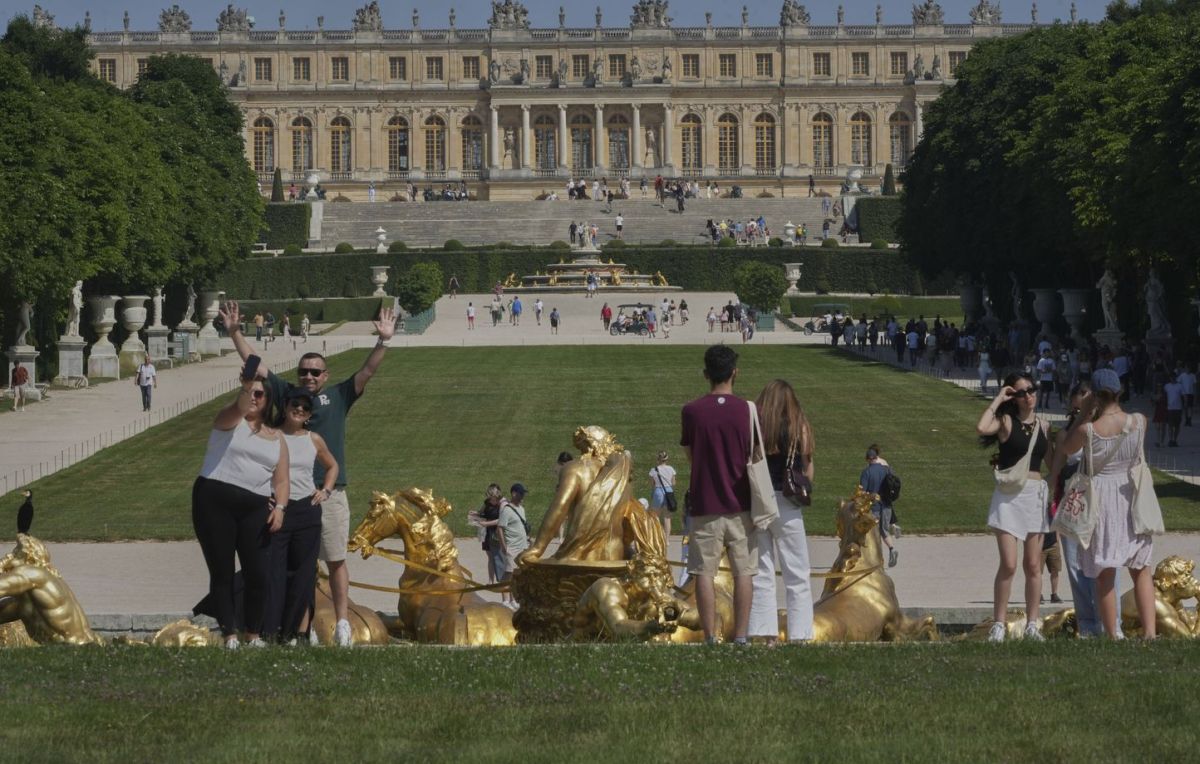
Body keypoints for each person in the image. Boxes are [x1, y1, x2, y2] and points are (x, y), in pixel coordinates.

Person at [221, 300, 396, 648]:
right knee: (294, 567)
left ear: (325, 376)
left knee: (334, 561)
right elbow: (255, 364)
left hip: (328, 494)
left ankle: (342, 622)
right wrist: (234, 332)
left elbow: (367, 373)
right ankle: (302, 628)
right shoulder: (289, 395)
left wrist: (384, 341)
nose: (309, 377)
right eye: (305, 371)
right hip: (290, 497)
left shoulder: (338, 396)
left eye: (316, 372)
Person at [192, 369, 289, 649]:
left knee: (257, 572)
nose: (255, 398)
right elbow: (239, 407)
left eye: (261, 394)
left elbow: (281, 480)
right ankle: (229, 635)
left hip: (255, 506)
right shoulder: (230, 420)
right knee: (222, 570)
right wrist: (245, 389)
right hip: (214, 499)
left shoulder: (277, 437)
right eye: (252, 393)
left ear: (269, 400)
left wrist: (280, 507)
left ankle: (253, 634)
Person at [1060, 368, 1156, 639]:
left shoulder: (1089, 430)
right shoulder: (1139, 421)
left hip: (1101, 496)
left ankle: (1112, 634)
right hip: (1131, 495)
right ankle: (1150, 633)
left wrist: (1083, 412)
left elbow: (1066, 447)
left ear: (1095, 395)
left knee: (1104, 572)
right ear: (1119, 391)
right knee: (1140, 568)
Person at [680, 345, 757, 644]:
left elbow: (690, 453)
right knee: (744, 573)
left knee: (704, 573)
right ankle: (741, 637)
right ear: (735, 373)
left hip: (705, 503)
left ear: (706, 374)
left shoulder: (692, 411)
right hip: (741, 504)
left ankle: (711, 636)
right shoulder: (748, 411)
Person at [976, 371, 1051, 642]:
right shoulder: (1007, 422)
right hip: (1009, 497)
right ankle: (999, 623)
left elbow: (1053, 464)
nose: (1029, 395)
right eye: (1021, 392)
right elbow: (982, 428)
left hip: (1035, 494)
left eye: (1032, 389)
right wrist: (998, 398)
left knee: (1033, 565)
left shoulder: (1044, 426)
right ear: (1014, 397)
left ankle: (1032, 624)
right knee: (1008, 564)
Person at [263, 388, 338, 644]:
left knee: (304, 574)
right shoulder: (270, 435)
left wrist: (326, 490)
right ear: (285, 407)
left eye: (306, 408)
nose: (300, 410)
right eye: (296, 405)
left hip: (306, 509)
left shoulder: (313, 439)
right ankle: (271, 631)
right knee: (275, 572)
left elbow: (333, 466)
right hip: (278, 509)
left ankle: (299, 633)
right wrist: (265, 495)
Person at [748, 380, 815, 643]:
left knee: (762, 571)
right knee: (797, 572)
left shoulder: (756, 427)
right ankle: (800, 633)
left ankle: (764, 633)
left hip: (760, 499)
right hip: (788, 502)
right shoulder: (800, 426)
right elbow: (808, 468)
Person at [1047, 381, 1104, 637]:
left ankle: (1105, 620)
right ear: (1072, 400)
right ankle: (1088, 623)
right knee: (1074, 564)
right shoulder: (1066, 433)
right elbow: (1057, 468)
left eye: (1088, 393)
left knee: (1099, 562)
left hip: (1100, 500)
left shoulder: (1104, 428)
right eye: (1080, 393)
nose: (1085, 397)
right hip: (1074, 500)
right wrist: (1049, 496)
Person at [859, 446, 898, 567]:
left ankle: (876, 559)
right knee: (884, 531)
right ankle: (892, 549)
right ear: (877, 458)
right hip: (887, 506)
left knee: (872, 533)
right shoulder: (886, 469)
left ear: (868, 459)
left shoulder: (866, 472)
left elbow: (863, 492)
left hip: (874, 507)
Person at [468, 484, 506, 585]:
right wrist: (474, 514)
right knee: (490, 557)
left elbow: (502, 520)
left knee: (498, 556)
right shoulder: (487, 502)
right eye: (489, 497)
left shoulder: (502, 504)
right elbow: (481, 513)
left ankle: (502, 580)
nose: (490, 499)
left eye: (492, 497)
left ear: (497, 495)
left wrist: (486, 523)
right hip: (487, 533)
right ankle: (491, 581)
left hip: (498, 533)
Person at [648, 451, 677, 542]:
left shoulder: (654, 470)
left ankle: (656, 538)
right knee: (667, 518)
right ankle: (667, 539)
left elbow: (652, 483)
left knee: (655, 517)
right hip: (669, 492)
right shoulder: (671, 469)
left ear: (658, 459)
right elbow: (673, 483)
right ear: (666, 459)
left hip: (658, 491)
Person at [1164, 373, 1184, 447]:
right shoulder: (1166, 386)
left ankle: (1175, 440)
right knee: (1170, 425)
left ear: (1175, 377)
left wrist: (1184, 405)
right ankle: (1170, 439)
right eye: (1171, 377)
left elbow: (1183, 396)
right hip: (1170, 408)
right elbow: (1164, 396)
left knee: (1177, 425)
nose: (1172, 379)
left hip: (1178, 408)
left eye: (1173, 377)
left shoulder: (1180, 386)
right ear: (1170, 378)